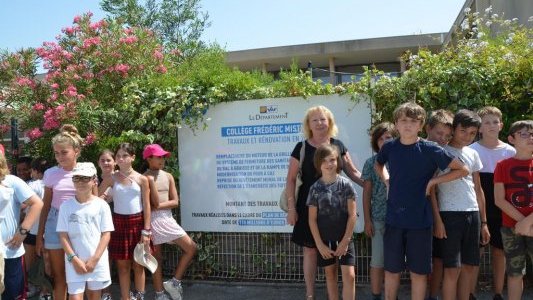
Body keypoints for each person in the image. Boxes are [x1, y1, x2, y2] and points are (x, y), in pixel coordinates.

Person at [374, 102, 469, 300]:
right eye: (403, 121)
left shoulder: (431, 150)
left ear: (421, 125)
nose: (408, 125)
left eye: (413, 121)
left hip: (420, 221)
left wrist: (434, 181)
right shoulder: (390, 147)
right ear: (396, 124)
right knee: (391, 271)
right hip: (393, 220)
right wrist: (387, 180)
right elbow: (378, 164)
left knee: (419, 273)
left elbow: (463, 169)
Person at [285, 105, 363, 299]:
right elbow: (291, 179)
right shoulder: (301, 147)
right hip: (308, 207)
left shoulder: (338, 144)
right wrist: (291, 208)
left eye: (323, 119)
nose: (319, 123)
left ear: (329, 122)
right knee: (310, 251)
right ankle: (310, 295)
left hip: (336, 211)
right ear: (308, 125)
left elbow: (352, 172)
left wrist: (373, 184)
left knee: (339, 261)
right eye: (315, 120)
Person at [430, 110, 490, 300]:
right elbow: (431, 190)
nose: (467, 136)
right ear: (454, 129)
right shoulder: (441, 152)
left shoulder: (473, 153)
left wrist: (485, 222)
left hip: (473, 215)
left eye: (473, 133)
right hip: (449, 215)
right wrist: (438, 220)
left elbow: (478, 189)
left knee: (469, 267)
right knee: (452, 269)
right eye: (463, 130)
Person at [36, 124, 94, 300]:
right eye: (56, 153)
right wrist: (40, 236)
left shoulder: (87, 170)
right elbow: (45, 206)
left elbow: (96, 203)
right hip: (55, 223)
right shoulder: (50, 173)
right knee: (59, 276)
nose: (59, 156)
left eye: (64, 152)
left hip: (81, 224)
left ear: (76, 150)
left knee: (81, 273)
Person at [469, 106, 516, 300]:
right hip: (477, 205)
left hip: (503, 207)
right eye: (486, 122)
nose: (491, 125)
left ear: (501, 125)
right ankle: (470, 293)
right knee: (475, 253)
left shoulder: (511, 151)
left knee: (500, 252)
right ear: (479, 127)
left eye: (495, 121)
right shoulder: (471, 150)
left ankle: (497, 293)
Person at [143, 144, 197, 300]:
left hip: (166, 217)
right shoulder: (144, 178)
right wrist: (155, 207)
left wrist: (159, 206)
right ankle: (160, 294)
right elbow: (148, 205)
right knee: (156, 258)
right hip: (152, 220)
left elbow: (175, 202)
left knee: (191, 248)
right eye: (158, 157)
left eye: (163, 157)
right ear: (149, 158)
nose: (162, 160)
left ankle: (174, 282)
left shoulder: (168, 176)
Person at [99, 143, 152, 300]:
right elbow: (94, 197)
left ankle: (140, 296)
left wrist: (147, 231)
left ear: (133, 157)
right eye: (118, 156)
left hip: (138, 224)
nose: (121, 159)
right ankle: (125, 298)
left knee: (139, 264)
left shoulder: (142, 179)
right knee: (122, 267)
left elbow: (147, 206)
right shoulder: (110, 178)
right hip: (118, 223)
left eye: (125, 156)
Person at [57, 163, 114, 300]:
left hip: (97, 261)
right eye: (77, 178)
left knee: (95, 295)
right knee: (75, 297)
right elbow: (63, 235)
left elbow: (106, 234)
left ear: (94, 180)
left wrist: (94, 259)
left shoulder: (102, 205)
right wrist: (74, 259)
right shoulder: (65, 206)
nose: (80, 182)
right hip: (74, 262)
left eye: (85, 178)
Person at [308, 144, 357, 300]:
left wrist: (346, 241)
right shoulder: (315, 188)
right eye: (324, 161)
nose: (329, 164)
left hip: (345, 239)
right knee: (330, 275)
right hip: (325, 241)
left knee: (349, 276)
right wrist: (319, 244)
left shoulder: (346, 185)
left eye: (332, 160)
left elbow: (352, 215)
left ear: (337, 161)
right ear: (318, 163)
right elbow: (312, 219)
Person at [494, 120, 533, 300]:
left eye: (532, 134)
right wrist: (521, 223)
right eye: (524, 134)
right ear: (511, 139)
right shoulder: (502, 165)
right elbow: (499, 200)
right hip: (511, 228)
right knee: (515, 273)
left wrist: (528, 222)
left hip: (528, 224)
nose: (530, 137)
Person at [0, 144, 43, 299]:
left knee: (11, 295)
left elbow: (37, 203)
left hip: (9, 250)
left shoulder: (11, 180)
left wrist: (23, 231)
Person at [362, 122, 395, 300]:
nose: (385, 141)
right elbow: (367, 193)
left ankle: (392, 294)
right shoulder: (370, 163)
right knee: (378, 261)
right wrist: (367, 220)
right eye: (381, 139)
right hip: (379, 218)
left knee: (395, 263)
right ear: (376, 143)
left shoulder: (403, 158)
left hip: (402, 219)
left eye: (388, 137)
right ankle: (376, 295)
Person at [424, 109, 454, 300]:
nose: (443, 139)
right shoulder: (420, 148)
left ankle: (432, 295)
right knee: (425, 259)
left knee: (438, 258)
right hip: (422, 213)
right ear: (428, 128)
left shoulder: (444, 152)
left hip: (440, 212)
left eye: (447, 135)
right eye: (439, 133)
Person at [24, 158, 52, 299]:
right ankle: (45, 291)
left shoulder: (32, 185)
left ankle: (32, 287)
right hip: (48, 230)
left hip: (31, 230)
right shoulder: (51, 185)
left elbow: (22, 205)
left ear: (35, 171)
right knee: (47, 263)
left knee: (30, 262)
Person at [97, 149, 116, 300]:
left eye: (108, 160)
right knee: (105, 256)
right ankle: (106, 292)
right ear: (98, 163)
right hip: (99, 223)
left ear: (115, 161)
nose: (106, 163)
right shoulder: (93, 179)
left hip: (119, 219)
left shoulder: (120, 177)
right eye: (103, 160)